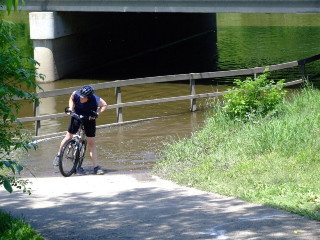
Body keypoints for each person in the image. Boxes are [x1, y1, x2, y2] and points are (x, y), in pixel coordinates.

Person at [53, 85, 107, 175]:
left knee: (91, 143)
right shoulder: (76, 94)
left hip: (89, 119)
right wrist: (71, 109)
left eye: (83, 97)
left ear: (89, 97)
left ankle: (96, 167)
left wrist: (97, 113)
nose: (81, 98)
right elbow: (71, 98)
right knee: (68, 136)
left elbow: (105, 105)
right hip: (77, 116)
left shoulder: (96, 99)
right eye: (80, 96)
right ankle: (58, 155)